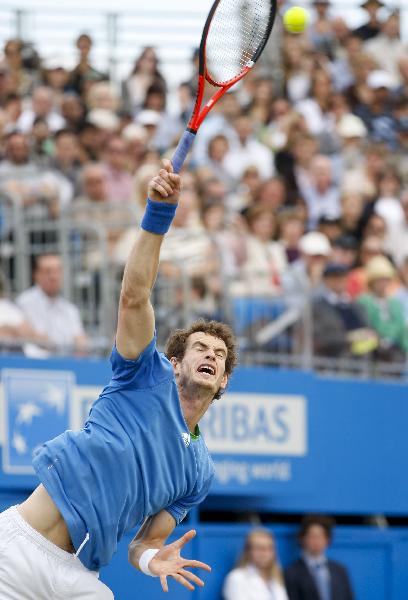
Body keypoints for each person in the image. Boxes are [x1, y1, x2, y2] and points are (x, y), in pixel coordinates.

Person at [0, 161, 238, 599]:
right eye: (201, 349)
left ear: (222, 383)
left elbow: (145, 544)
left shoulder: (199, 471)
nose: (210, 356)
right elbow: (134, 296)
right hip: (13, 552)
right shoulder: (142, 374)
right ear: (174, 363)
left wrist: (152, 559)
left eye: (220, 356)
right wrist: (158, 216)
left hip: (77, 577)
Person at [16, 254, 88, 354]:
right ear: (36, 275)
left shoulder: (70, 309)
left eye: (57, 271)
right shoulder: (24, 303)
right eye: (48, 271)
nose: (53, 276)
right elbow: (25, 336)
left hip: (67, 364)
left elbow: (81, 342)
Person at [284, 515, 355, 600]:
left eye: (320, 536)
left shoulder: (340, 570)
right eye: (312, 536)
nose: (316, 541)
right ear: (302, 538)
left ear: (327, 539)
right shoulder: (291, 573)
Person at [223, 528, 289, 600]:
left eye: (269, 548)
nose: (264, 553)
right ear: (248, 551)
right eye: (259, 548)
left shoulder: (276, 578)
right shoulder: (236, 578)